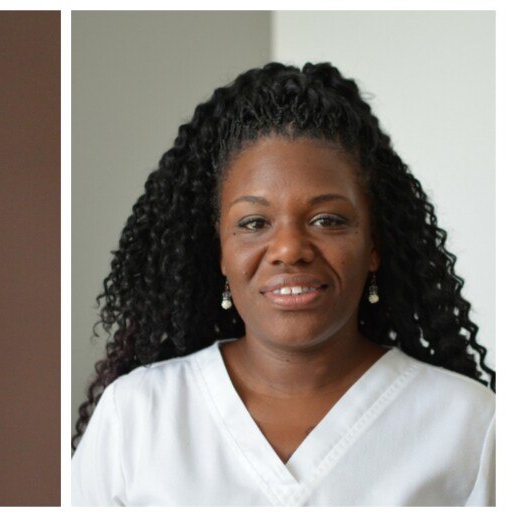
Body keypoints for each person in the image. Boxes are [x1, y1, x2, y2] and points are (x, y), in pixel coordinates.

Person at [71, 62, 495, 506]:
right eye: (254, 222)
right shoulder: (135, 415)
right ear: (218, 251)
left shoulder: (471, 426)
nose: (289, 249)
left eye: (328, 220)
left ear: (374, 244)